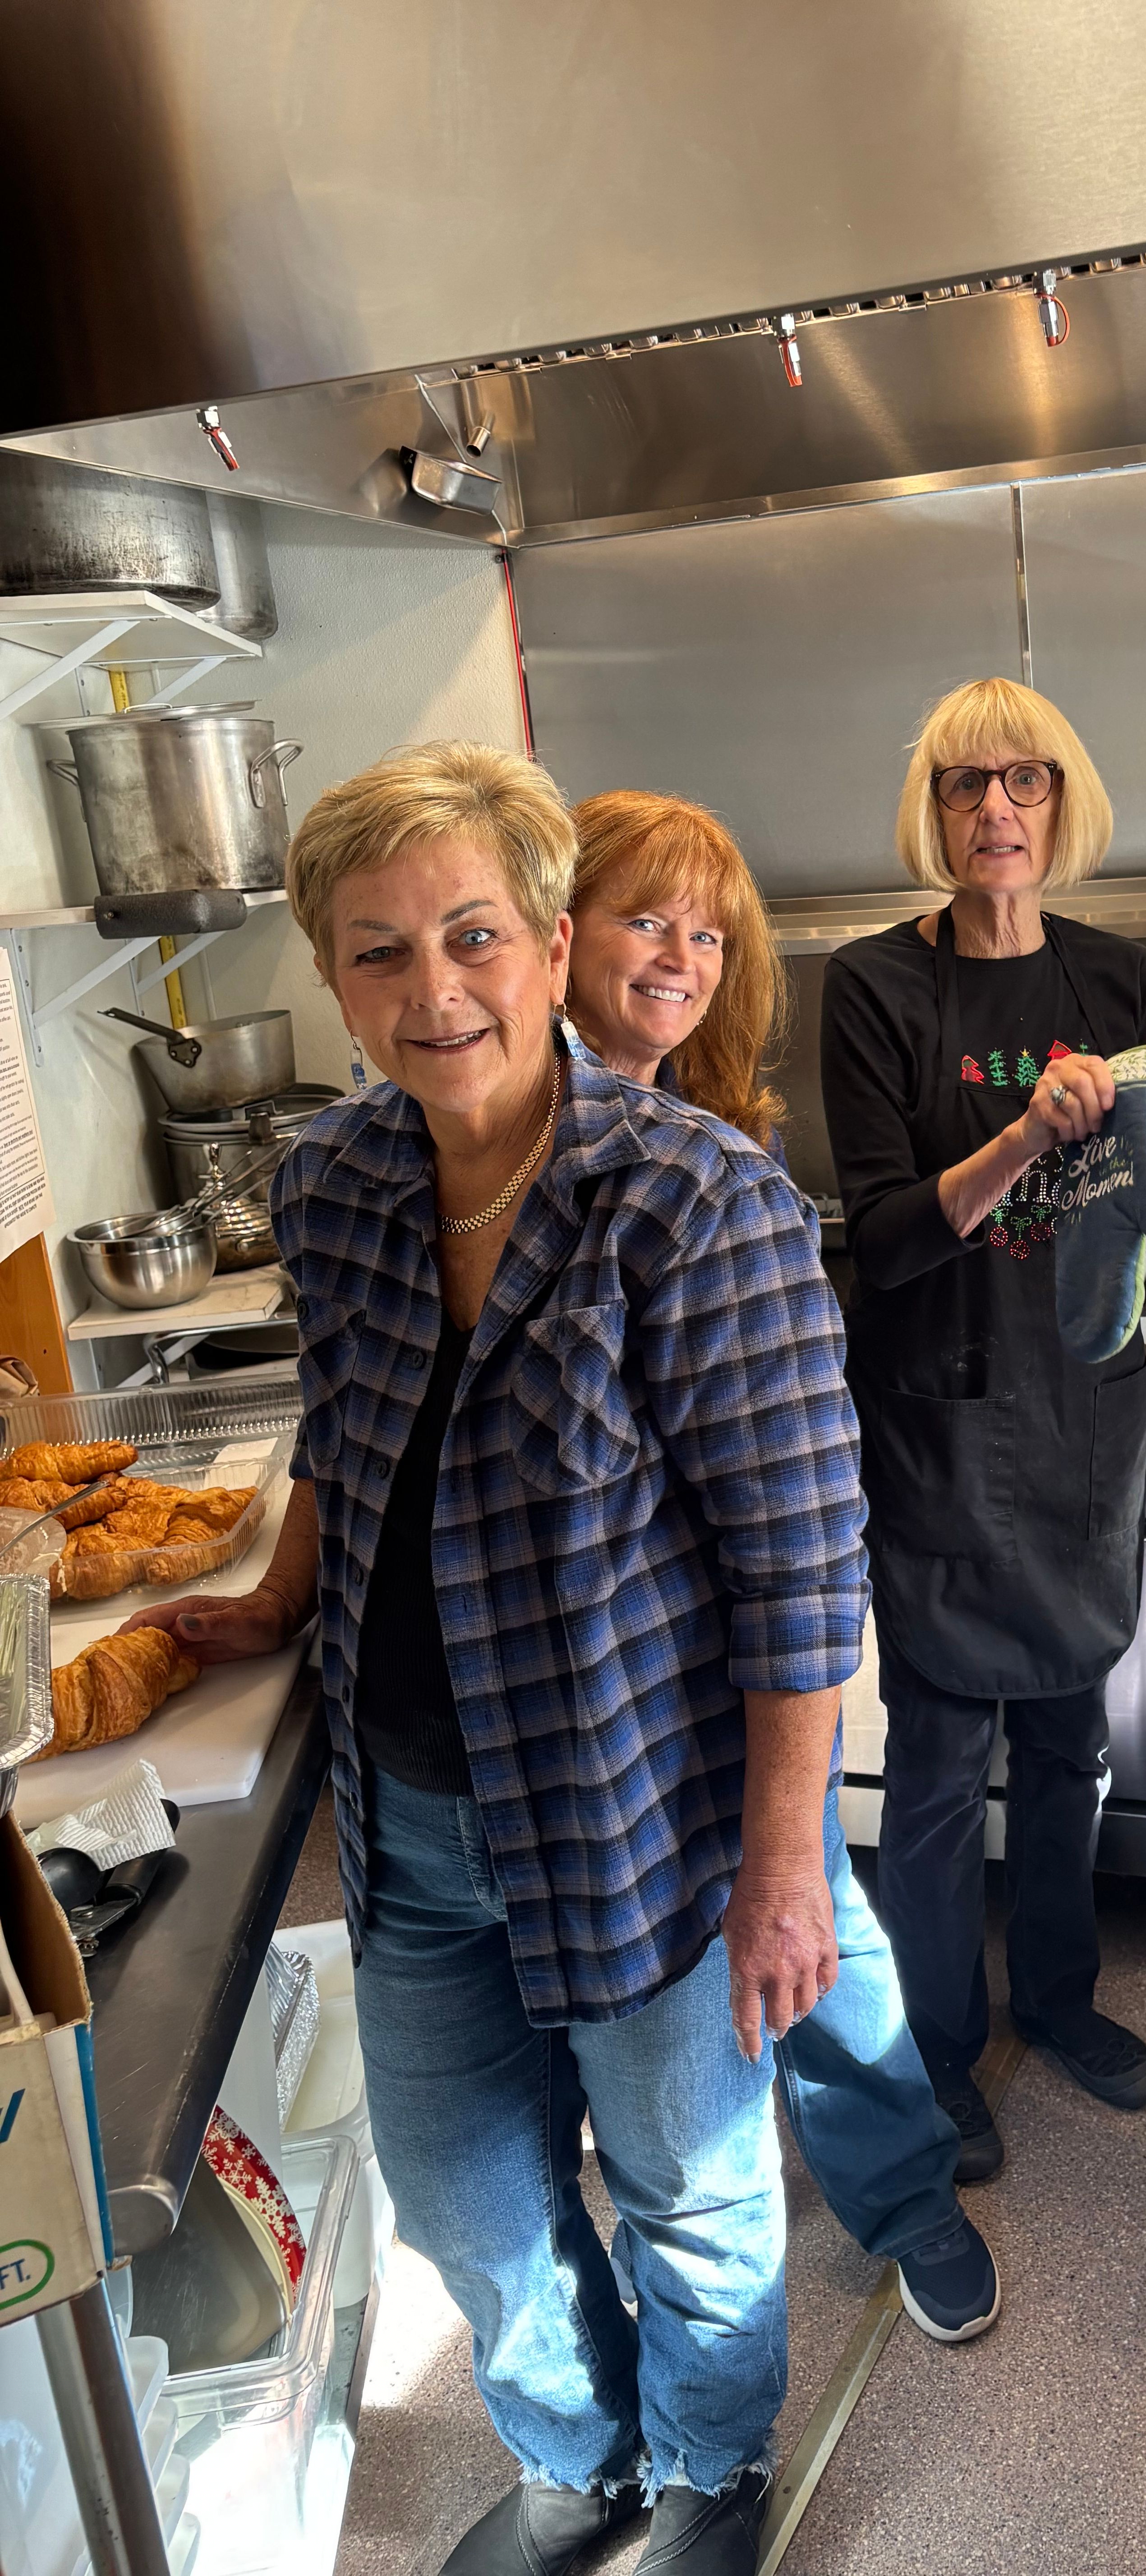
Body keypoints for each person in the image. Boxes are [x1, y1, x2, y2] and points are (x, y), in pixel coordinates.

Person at [127, 741, 865, 2576]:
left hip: (640, 1822)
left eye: (471, 937)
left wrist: (788, 1868)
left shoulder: (696, 1206)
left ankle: (709, 2471)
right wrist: (281, 1595)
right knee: (468, 2206)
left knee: (690, 2192)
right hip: (413, 1828)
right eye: (377, 954)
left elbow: (799, 1571)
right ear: (329, 973)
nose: (431, 993)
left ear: (550, 944)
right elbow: (348, 1425)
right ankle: (574, 2457)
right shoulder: (335, 1186)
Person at [563, 785, 998, 2343]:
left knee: (805, 1903)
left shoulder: (711, 1150)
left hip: (720, 1654)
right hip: (580, 1672)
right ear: (558, 930)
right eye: (643, 918)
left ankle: (896, 2193)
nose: (679, 958)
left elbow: (794, 1508)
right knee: (707, 1940)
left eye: (707, 932)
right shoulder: (470, 1144)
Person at [818, 677, 1146, 2182]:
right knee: (929, 1775)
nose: (996, 812)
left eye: (1023, 784)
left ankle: (1059, 2000)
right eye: (968, 785)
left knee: (1064, 1745)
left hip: (1079, 1416)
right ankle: (936, 2049)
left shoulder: (1119, 984)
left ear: (1059, 804)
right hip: (935, 1428)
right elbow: (890, 1236)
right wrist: (1023, 1135)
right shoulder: (875, 987)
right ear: (935, 808)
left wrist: (1116, 1138)